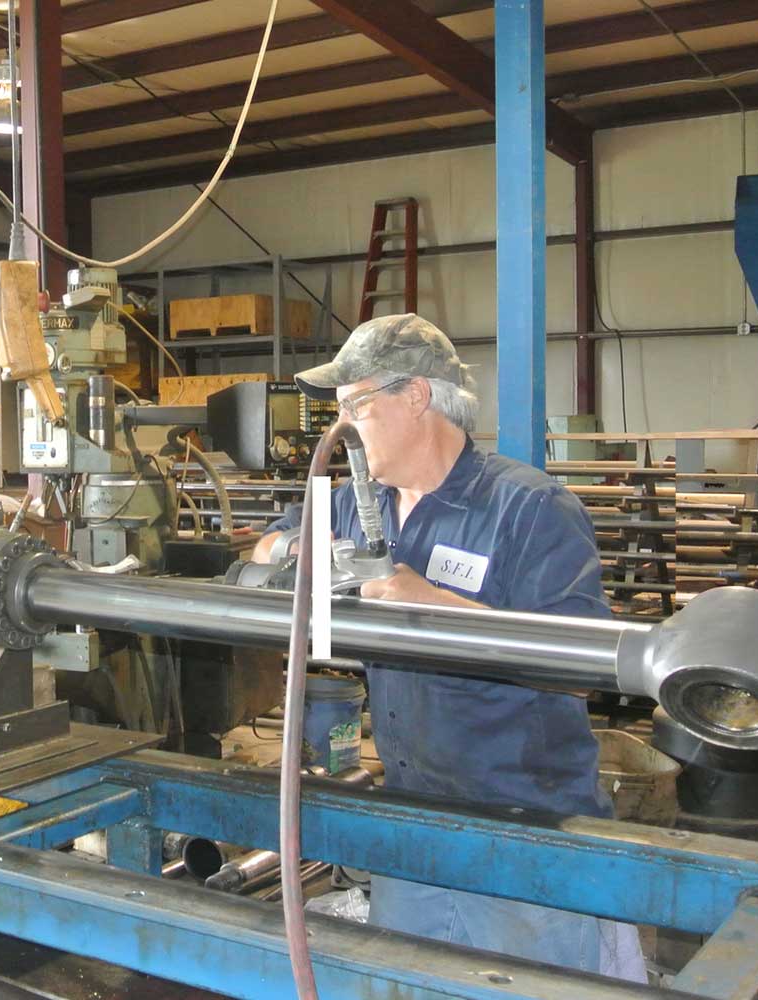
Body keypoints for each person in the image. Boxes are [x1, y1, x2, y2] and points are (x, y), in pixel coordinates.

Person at [253, 313, 644, 980]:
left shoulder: (529, 509)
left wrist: (436, 603)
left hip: (526, 833)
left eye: (355, 405)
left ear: (416, 397)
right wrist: (302, 550)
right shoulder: (355, 504)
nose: (340, 426)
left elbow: (582, 671)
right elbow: (266, 548)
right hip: (414, 827)